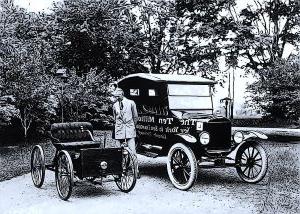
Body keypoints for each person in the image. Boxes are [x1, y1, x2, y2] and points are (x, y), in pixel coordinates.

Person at [112, 88, 140, 178]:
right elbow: (114, 118)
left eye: (118, 96)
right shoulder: (115, 105)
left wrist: (132, 127)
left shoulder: (131, 103)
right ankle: (119, 171)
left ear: (122, 94)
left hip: (129, 129)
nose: (116, 98)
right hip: (119, 129)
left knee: (132, 151)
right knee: (118, 151)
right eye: (115, 96)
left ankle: (136, 170)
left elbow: (135, 117)